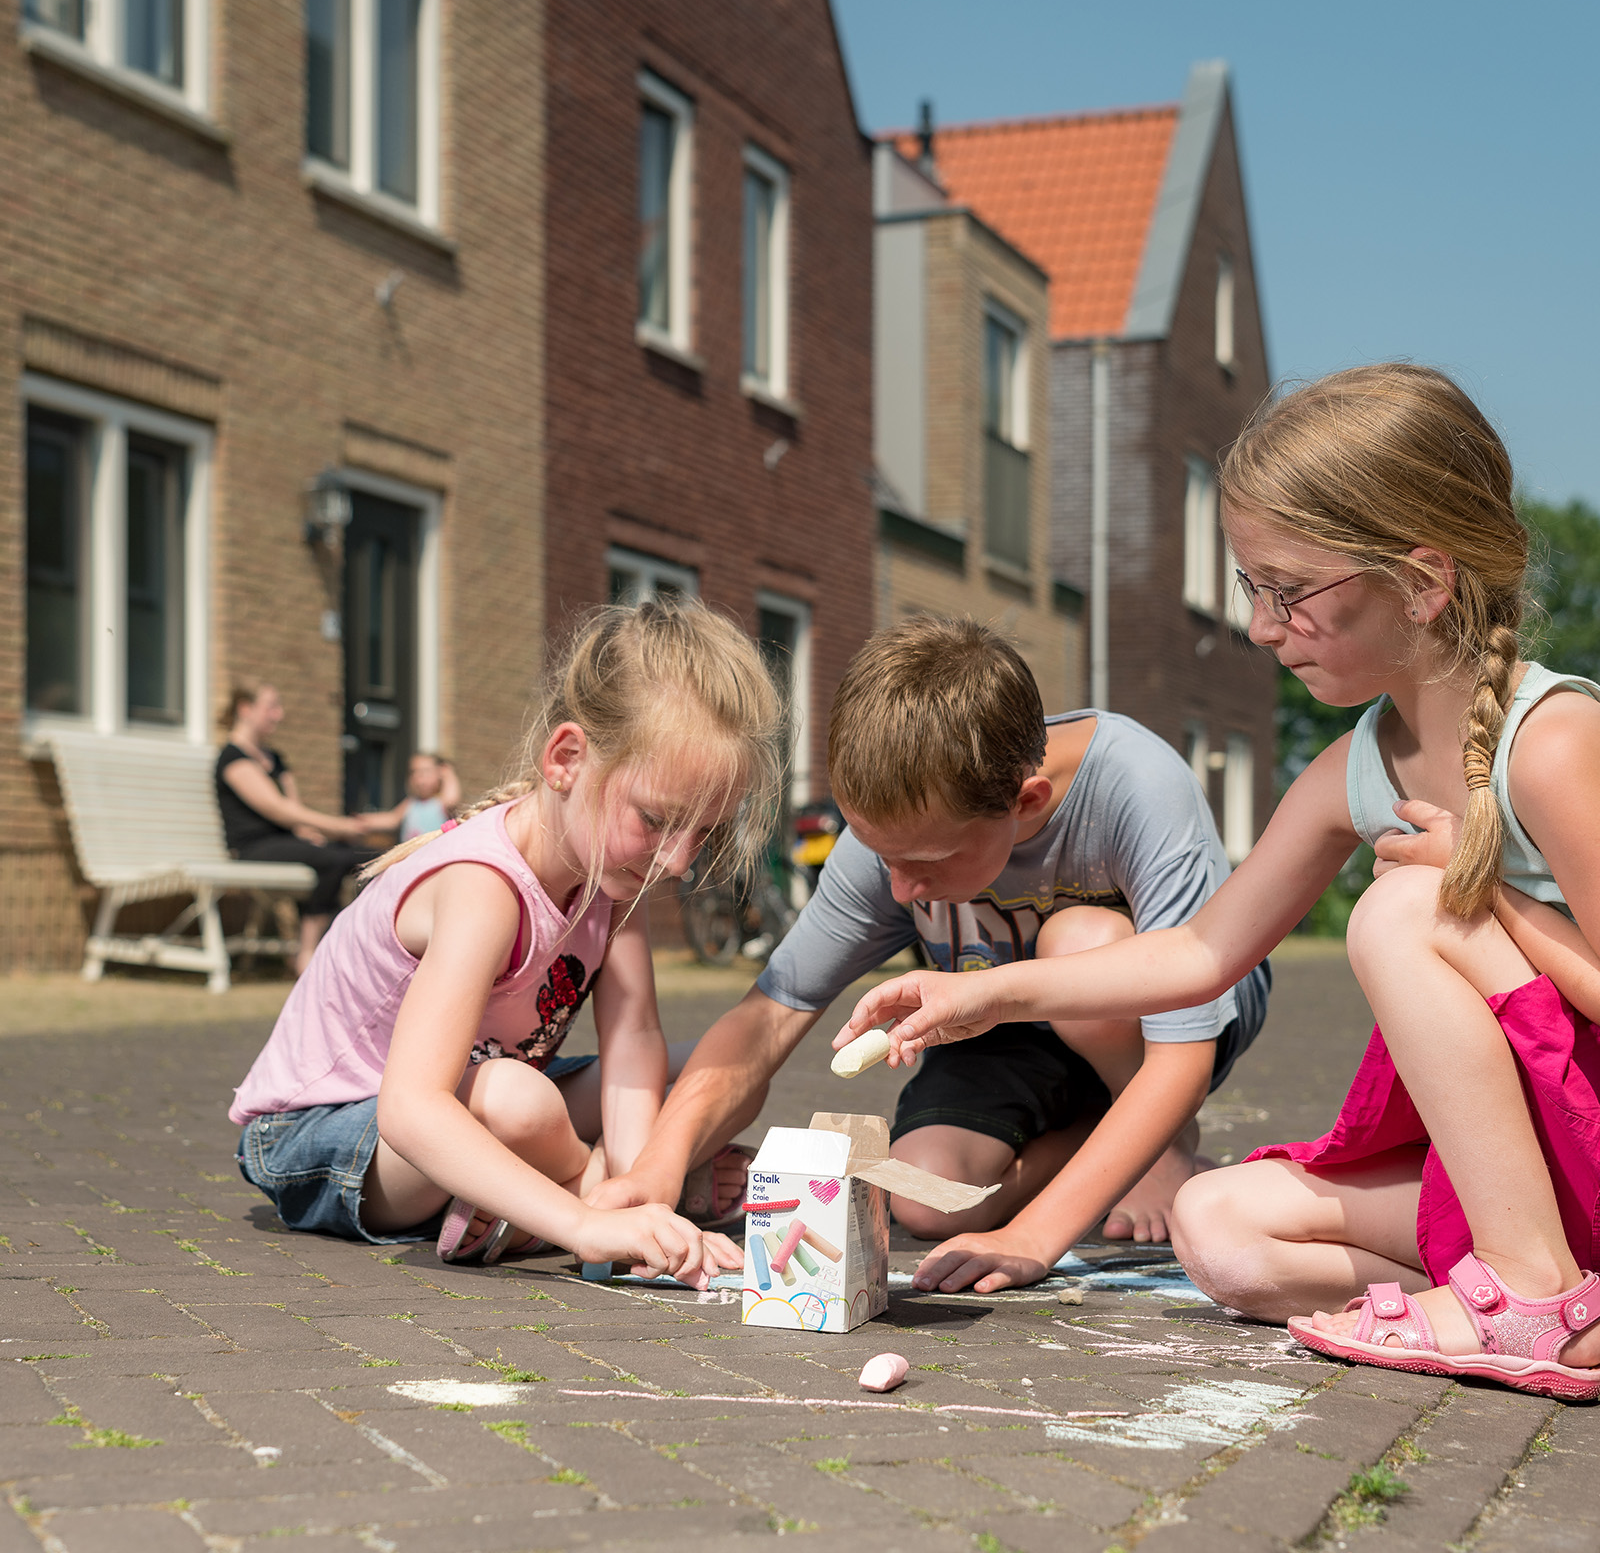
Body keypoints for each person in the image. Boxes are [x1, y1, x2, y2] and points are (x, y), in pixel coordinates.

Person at [841, 364, 1600, 1401]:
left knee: (1400, 910)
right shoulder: (1351, 771)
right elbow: (1203, 950)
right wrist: (982, 991)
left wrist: (1484, 898)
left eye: (1289, 590)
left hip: (1580, 1136)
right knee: (1215, 1226)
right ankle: (1549, 1292)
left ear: (1423, 582)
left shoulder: (1551, 744)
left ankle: (1527, 1288)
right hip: (1527, 1172)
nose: (1259, 624)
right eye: (1253, 587)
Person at [587, 616, 1270, 1280]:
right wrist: (659, 1166)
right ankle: (1117, 1141)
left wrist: (1033, 1235)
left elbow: (1184, 1045)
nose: (902, 888)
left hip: (1162, 1025)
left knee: (1077, 939)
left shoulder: (1135, 786)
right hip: (1002, 1029)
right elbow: (770, 1015)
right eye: (880, 855)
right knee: (922, 1195)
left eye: (926, 862)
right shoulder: (895, 839)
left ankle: (1160, 1150)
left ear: (1026, 803)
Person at [229, 600, 781, 1283]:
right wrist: (592, 1220)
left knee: (715, 1062)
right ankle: (573, 1185)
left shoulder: (612, 877)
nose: (679, 863)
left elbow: (634, 1038)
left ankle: (557, 1194)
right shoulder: (482, 887)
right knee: (517, 1101)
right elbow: (412, 1108)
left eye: (704, 833)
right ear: (567, 759)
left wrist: (644, 1188)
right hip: (322, 1136)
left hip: (492, 1090)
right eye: (660, 820)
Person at [216, 682, 379, 974]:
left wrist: (311, 834)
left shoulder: (275, 758)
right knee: (333, 858)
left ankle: (358, 945)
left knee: (366, 854)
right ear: (245, 709)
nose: (279, 715)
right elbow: (278, 810)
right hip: (254, 848)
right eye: (272, 707)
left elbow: (295, 811)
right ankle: (308, 952)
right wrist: (340, 827)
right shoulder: (232, 758)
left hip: (289, 843)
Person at [365, 751, 465, 842]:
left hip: (434, 856)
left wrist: (448, 774)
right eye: (414, 772)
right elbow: (392, 819)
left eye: (425, 771)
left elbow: (452, 799)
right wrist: (364, 821)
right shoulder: (411, 803)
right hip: (412, 857)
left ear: (440, 774)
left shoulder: (441, 802)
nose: (418, 777)